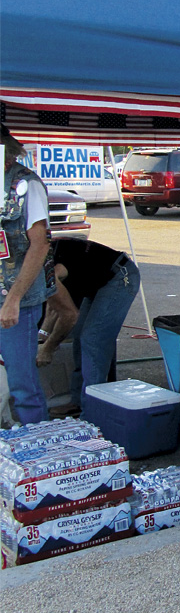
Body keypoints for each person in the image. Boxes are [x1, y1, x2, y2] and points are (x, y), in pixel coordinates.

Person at [36, 238, 141, 414]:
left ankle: (93, 411)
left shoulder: (45, 272)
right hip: (97, 280)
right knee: (80, 337)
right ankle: (79, 402)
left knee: (93, 339)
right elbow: (54, 304)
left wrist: (48, 348)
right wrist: (43, 335)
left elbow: (69, 315)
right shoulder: (44, 265)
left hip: (120, 275)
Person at [0, 124, 54, 424]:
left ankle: (37, 441)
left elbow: (40, 244)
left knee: (22, 383)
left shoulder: (27, 184)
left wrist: (14, 299)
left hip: (16, 299)